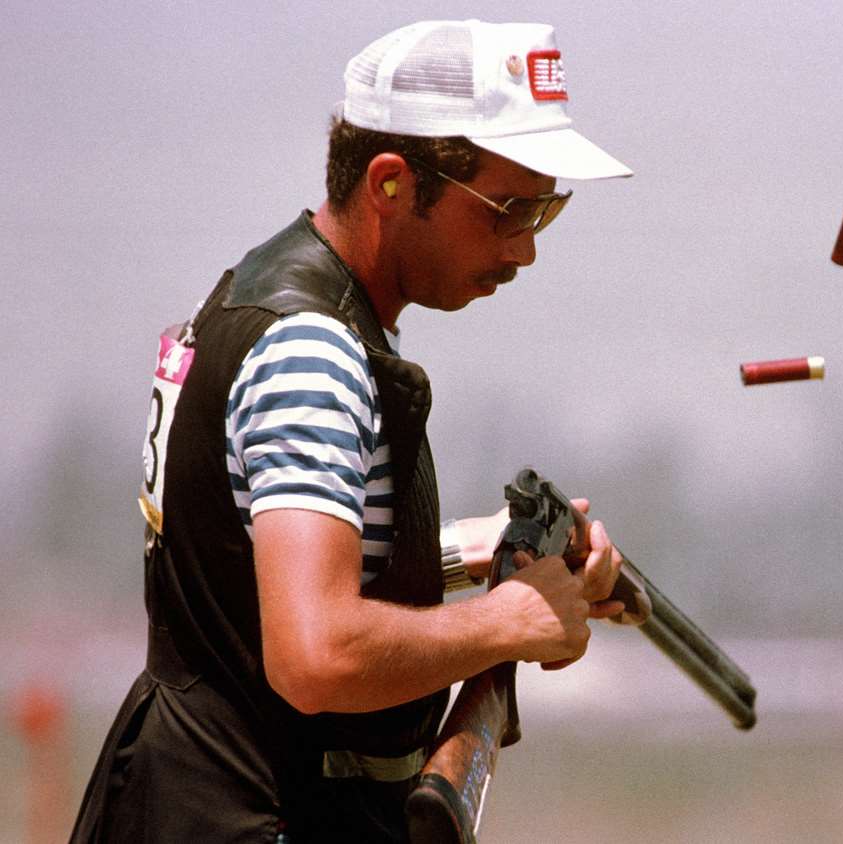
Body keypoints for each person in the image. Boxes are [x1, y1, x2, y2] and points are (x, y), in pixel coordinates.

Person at [71, 19, 630, 843]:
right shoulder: (314, 350)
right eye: (508, 210)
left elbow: (253, 572)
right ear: (392, 182)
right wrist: (504, 622)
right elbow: (316, 653)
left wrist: (473, 552)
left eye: (545, 209)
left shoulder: (277, 298)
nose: (525, 250)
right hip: (246, 815)